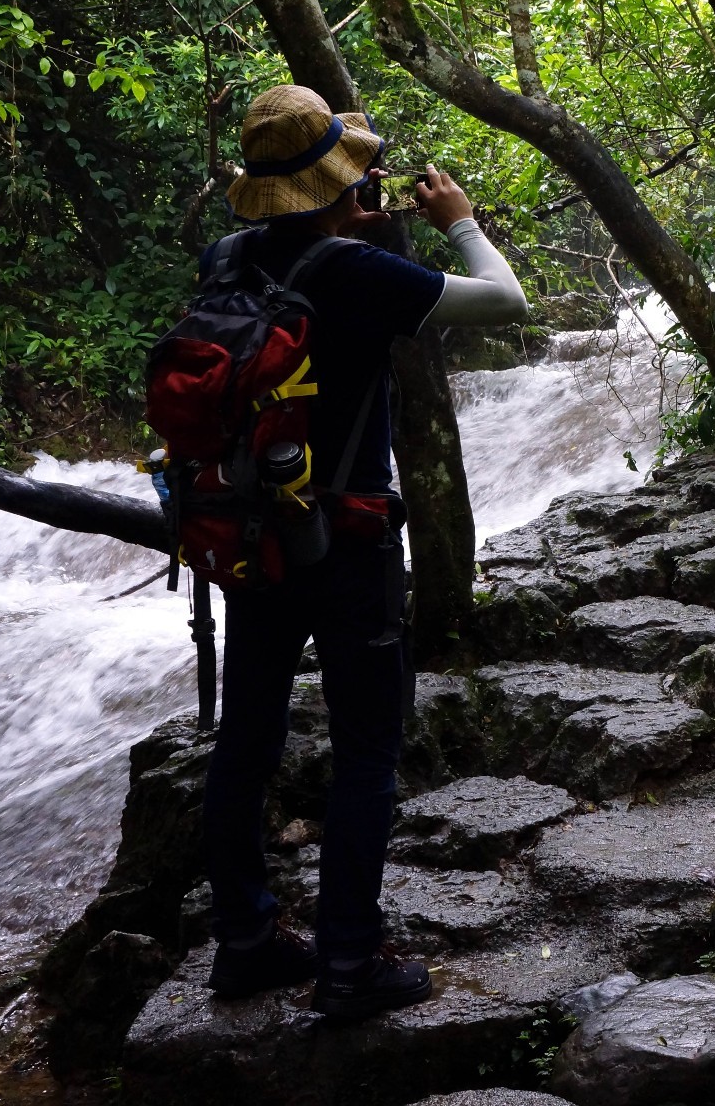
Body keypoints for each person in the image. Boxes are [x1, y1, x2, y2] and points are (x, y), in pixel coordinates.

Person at [197, 84, 528, 1019]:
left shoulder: (226, 258)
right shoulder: (355, 272)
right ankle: (349, 961)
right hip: (348, 542)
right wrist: (458, 222)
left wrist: (365, 231)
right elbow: (506, 301)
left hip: (254, 534)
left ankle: (248, 943)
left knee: (246, 741)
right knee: (366, 751)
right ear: (344, 182)